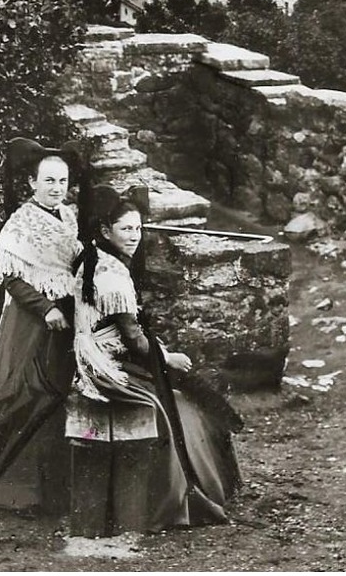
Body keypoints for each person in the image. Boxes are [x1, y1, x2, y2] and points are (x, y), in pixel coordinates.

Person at [67, 184, 242, 537]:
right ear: (106, 231)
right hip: (105, 365)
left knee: (185, 393)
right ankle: (178, 497)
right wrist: (168, 357)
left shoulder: (96, 257)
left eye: (138, 228)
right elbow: (133, 338)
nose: (134, 236)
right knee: (177, 403)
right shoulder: (111, 274)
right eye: (126, 229)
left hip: (106, 353)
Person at [0, 136, 88, 513]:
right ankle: (13, 488)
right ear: (32, 183)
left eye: (62, 181)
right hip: (31, 322)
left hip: (66, 315)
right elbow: (11, 277)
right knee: (26, 394)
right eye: (49, 181)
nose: (56, 189)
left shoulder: (69, 215)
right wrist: (45, 309)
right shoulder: (19, 224)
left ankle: (58, 486)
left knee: (61, 393)